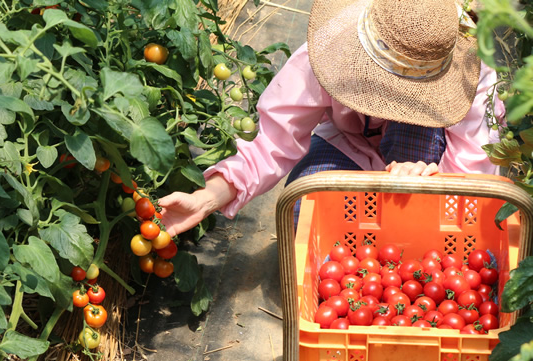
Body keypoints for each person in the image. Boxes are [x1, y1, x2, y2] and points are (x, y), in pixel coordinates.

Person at [159, 0, 504, 236]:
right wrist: (207, 198)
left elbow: (472, 178)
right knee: (303, 214)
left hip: (428, 160)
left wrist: (431, 184)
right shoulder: (329, 49)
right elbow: (273, 143)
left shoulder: (469, 76)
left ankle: (400, 235)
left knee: (414, 203)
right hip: (351, 145)